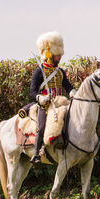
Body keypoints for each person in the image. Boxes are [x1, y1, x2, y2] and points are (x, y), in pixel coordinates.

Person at [29, 31, 77, 165]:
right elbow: (32, 92)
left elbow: (67, 85)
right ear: (49, 53)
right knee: (42, 125)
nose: (60, 56)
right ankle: (37, 153)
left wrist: (73, 92)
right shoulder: (39, 71)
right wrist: (41, 98)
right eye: (57, 54)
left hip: (60, 103)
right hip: (45, 105)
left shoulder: (60, 71)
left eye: (60, 54)